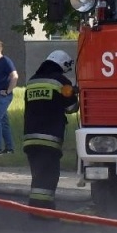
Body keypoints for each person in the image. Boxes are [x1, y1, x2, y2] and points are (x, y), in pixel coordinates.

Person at [22, 50, 78, 207]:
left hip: (30, 138)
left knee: (38, 176)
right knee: (49, 176)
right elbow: (72, 107)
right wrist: (73, 92)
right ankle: (44, 212)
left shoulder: (32, 81)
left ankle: (35, 209)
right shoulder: (61, 81)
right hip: (49, 138)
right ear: (62, 65)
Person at [0, 40, 20, 155]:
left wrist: (8, 91)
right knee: (3, 121)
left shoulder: (6, 61)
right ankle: (9, 148)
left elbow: (15, 76)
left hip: (3, 97)